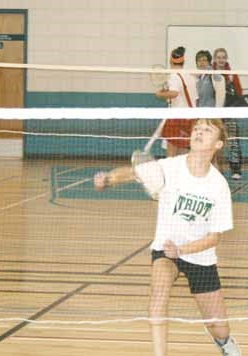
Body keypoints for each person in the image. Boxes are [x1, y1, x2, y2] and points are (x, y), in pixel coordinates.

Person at [94, 119, 241, 356]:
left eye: (207, 129)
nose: (199, 132)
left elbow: (215, 238)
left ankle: (225, 344)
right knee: (158, 293)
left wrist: (183, 250)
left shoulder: (218, 186)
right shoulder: (170, 166)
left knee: (219, 328)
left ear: (218, 144)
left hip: (200, 257)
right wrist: (109, 179)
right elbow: (133, 173)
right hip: (166, 250)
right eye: (197, 128)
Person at [156, 46, 198, 157]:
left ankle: (170, 173)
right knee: (184, 154)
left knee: (171, 155)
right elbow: (193, 97)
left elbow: (174, 93)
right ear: (183, 61)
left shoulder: (173, 76)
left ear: (171, 60)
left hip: (177, 118)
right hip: (191, 118)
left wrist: (160, 94)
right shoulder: (190, 75)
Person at [213, 48, 243, 180]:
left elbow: (239, 92)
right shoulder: (210, 73)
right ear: (215, 59)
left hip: (230, 113)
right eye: (218, 57)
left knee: (233, 143)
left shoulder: (231, 74)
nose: (221, 59)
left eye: (223, 57)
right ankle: (216, 169)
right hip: (216, 115)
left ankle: (236, 170)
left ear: (226, 59)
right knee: (215, 142)